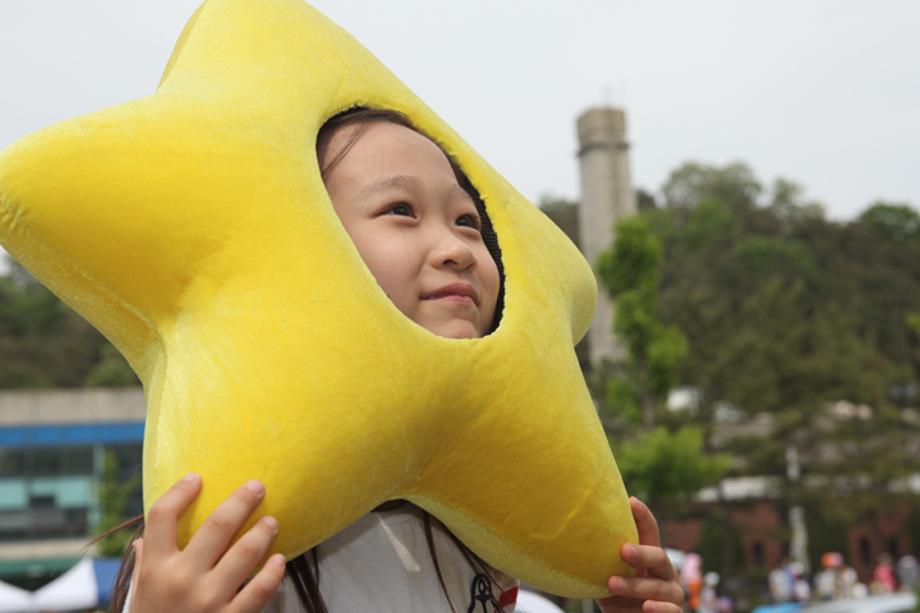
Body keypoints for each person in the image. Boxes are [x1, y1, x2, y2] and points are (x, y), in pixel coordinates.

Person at [107, 108, 685, 613]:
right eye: (401, 209)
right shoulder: (224, 541)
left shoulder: (489, 534)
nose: (458, 249)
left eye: (468, 221)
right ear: (306, 245)